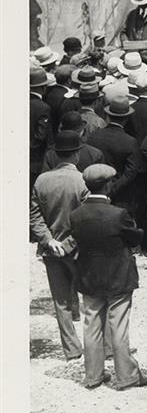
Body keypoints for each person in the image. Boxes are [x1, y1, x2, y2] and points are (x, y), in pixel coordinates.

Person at [71, 164, 147, 391]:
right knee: (118, 326)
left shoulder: (76, 215)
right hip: (118, 277)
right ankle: (126, 376)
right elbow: (135, 238)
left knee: (91, 326)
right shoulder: (119, 214)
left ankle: (93, 375)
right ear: (108, 184)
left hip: (89, 276)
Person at [29, 132, 88, 360]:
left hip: (50, 249)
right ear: (76, 154)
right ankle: (103, 346)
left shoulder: (41, 180)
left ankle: (71, 349)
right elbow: (84, 218)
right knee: (92, 299)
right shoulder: (83, 181)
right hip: (78, 249)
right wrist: (68, 243)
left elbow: (34, 215)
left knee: (60, 300)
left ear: (56, 154)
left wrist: (48, 240)